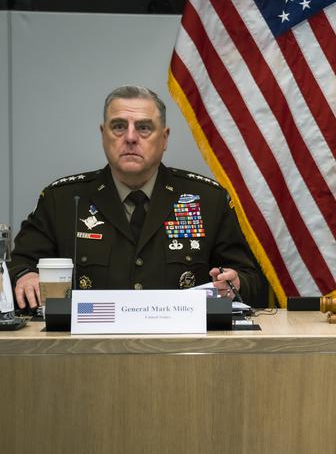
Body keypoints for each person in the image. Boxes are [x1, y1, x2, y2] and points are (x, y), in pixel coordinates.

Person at [10, 85, 263, 309]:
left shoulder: (207, 200)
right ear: (103, 135)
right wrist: (25, 276)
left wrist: (236, 284)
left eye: (144, 128)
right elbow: (17, 264)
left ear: (164, 139)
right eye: (119, 127)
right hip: (86, 351)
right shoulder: (63, 201)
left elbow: (251, 279)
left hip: (184, 350)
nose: (130, 138)